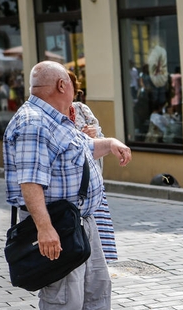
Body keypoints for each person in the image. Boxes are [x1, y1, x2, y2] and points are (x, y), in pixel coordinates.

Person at [3, 61, 132, 310]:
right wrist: (45, 229)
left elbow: (84, 148)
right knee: (60, 295)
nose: (75, 90)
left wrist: (111, 143)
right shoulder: (34, 122)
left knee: (93, 289)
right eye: (71, 84)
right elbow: (31, 181)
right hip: (58, 224)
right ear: (62, 86)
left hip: (80, 222)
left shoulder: (55, 118)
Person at [67, 71, 118, 262]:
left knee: (98, 236)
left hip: (91, 179)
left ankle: (97, 261)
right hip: (70, 185)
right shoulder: (51, 113)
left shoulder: (81, 109)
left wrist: (95, 134)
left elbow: (101, 139)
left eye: (71, 86)